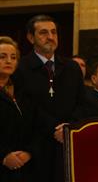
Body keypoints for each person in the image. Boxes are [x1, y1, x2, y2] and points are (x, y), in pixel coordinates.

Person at [12, 14, 85, 182]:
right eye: (43, 33)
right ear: (31, 38)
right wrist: (55, 128)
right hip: (37, 147)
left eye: (54, 32)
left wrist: (68, 127)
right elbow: (25, 106)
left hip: (68, 144)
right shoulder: (21, 68)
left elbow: (83, 103)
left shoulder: (71, 67)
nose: (50, 37)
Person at [0, 37, 38, 182]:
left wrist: (29, 152)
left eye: (13, 57)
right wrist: (3, 156)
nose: (9, 61)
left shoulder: (23, 91)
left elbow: (36, 126)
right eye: (2, 57)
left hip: (24, 166)